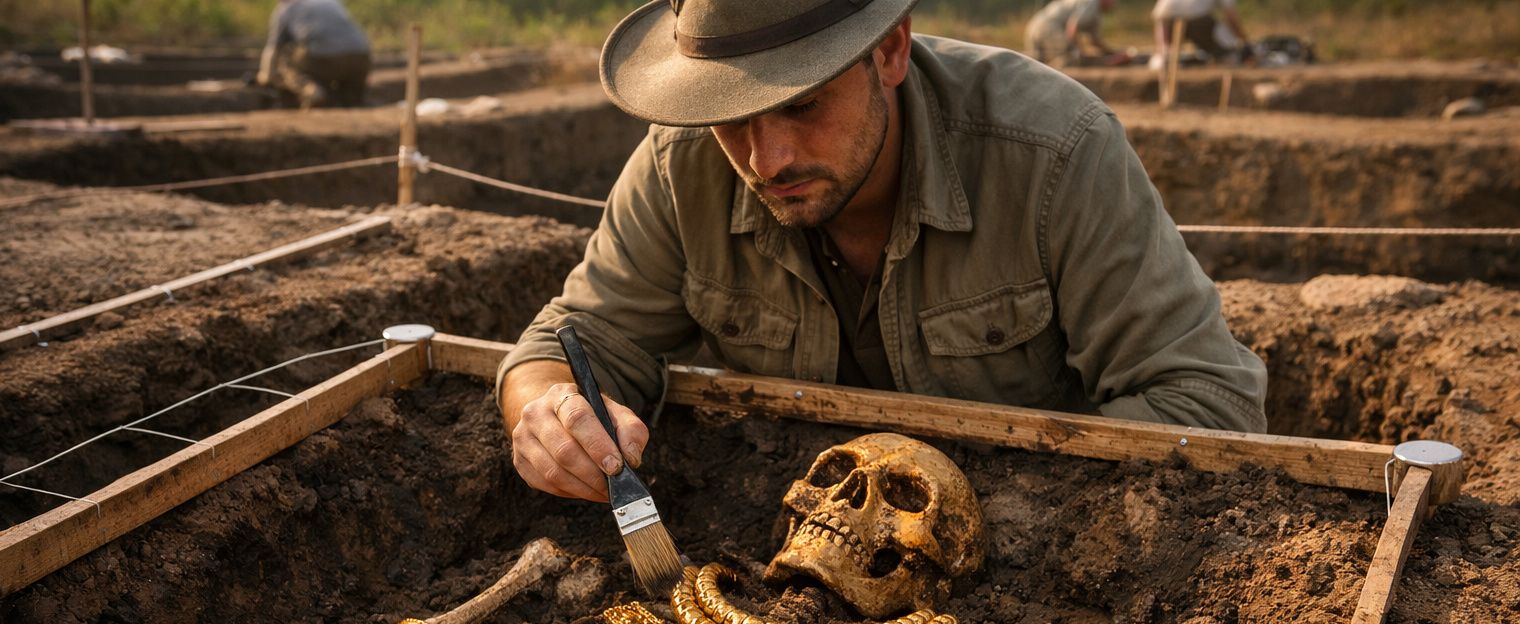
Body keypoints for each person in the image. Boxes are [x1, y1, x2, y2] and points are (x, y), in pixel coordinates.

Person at [499, 0, 1267, 504]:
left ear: (891, 52)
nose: (766, 159)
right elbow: (575, 342)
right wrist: (548, 410)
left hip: (1038, 554)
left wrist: (986, 509)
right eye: (731, 120)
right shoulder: (681, 163)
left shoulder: (1053, 153)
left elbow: (1208, 405)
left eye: (802, 105)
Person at [256, 0, 372, 110]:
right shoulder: (330, 2)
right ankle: (351, 99)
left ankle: (310, 90)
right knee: (351, 98)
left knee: (284, 61)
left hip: (323, 58)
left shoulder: (285, 9)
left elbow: (273, 48)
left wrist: (265, 76)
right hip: (362, 56)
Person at [1150, 0, 1248, 68]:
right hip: (1196, 19)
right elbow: (1231, 18)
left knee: (1164, 52)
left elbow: (1160, 14)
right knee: (1226, 51)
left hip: (1165, 17)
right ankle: (1222, 55)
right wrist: (1244, 41)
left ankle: (1164, 57)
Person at [1024, 0, 1118, 67]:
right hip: (1049, 27)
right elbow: (1072, 29)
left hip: (1034, 25)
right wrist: (1081, 51)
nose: (1115, 3)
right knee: (1072, 57)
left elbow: (1094, 41)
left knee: (1036, 61)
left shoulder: (1095, 13)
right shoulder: (1092, 3)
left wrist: (1113, 53)